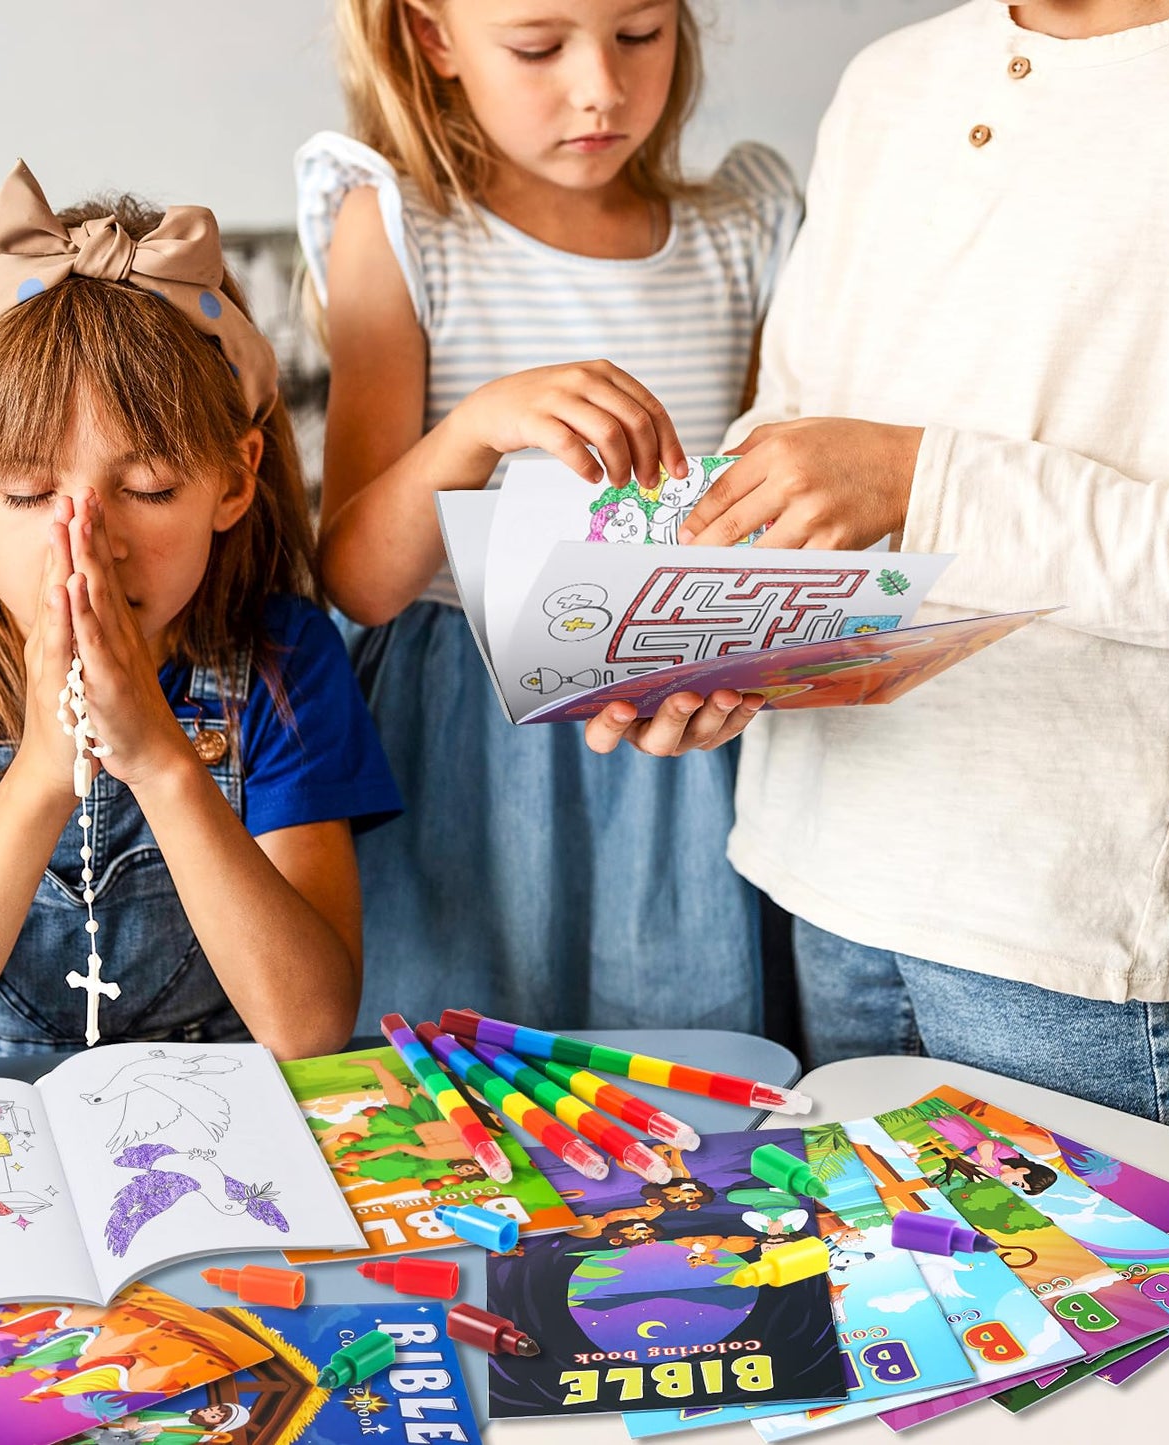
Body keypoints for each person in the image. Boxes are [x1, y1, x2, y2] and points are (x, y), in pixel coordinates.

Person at [586, 0, 1169, 1134]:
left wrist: (915, 477)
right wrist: (712, 649)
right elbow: (788, 434)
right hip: (812, 860)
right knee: (839, 1301)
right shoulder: (887, 80)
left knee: (1078, 1313)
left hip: (1057, 917)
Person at [0, 162, 400, 1089]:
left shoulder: (286, 661)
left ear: (234, 481)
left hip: (226, 1121)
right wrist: (45, 772)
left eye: (149, 489)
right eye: (28, 492)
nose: (89, 543)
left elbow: (310, 1025)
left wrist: (163, 760)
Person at [296, 0, 800, 1035]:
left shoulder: (740, 229)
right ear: (431, 37)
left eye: (639, 34)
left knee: (683, 1087)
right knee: (453, 1092)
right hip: (463, 749)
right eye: (538, 46)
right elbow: (354, 577)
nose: (600, 88)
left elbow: (759, 508)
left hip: (677, 740)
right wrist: (471, 432)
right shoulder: (399, 227)